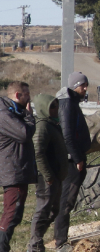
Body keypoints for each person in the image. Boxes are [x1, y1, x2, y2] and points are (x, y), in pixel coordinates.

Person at [52, 73, 88, 247]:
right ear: (75, 86)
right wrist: (77, 158)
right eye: (83, 85)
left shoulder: (72, 101)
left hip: (74, 157)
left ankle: (60, 238)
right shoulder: (67, 104)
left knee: (67, 200)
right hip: (71, 161)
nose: (85, 88)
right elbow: (67, 135)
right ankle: (60, 241)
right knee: (66, 200)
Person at [27, 94, 66, 252]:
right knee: (43, 209)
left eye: (56, 106)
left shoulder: (52, 124)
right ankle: (34, 244)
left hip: (55, 175)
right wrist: (48, 175)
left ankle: (37, 240)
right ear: (44, 108)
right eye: (52, 106)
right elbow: (38, 152)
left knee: (53, 209)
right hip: (47, 177)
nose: (56, 109)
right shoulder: (42, 126)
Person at [0, 82, 34, 252]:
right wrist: (29, 116)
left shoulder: (13, 112)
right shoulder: (5, 114)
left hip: (18, 169)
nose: (30, 98)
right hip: (12, 170)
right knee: (12, 212)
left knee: (15, 212)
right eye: (27, 94)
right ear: (17, 95)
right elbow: (24, 134)